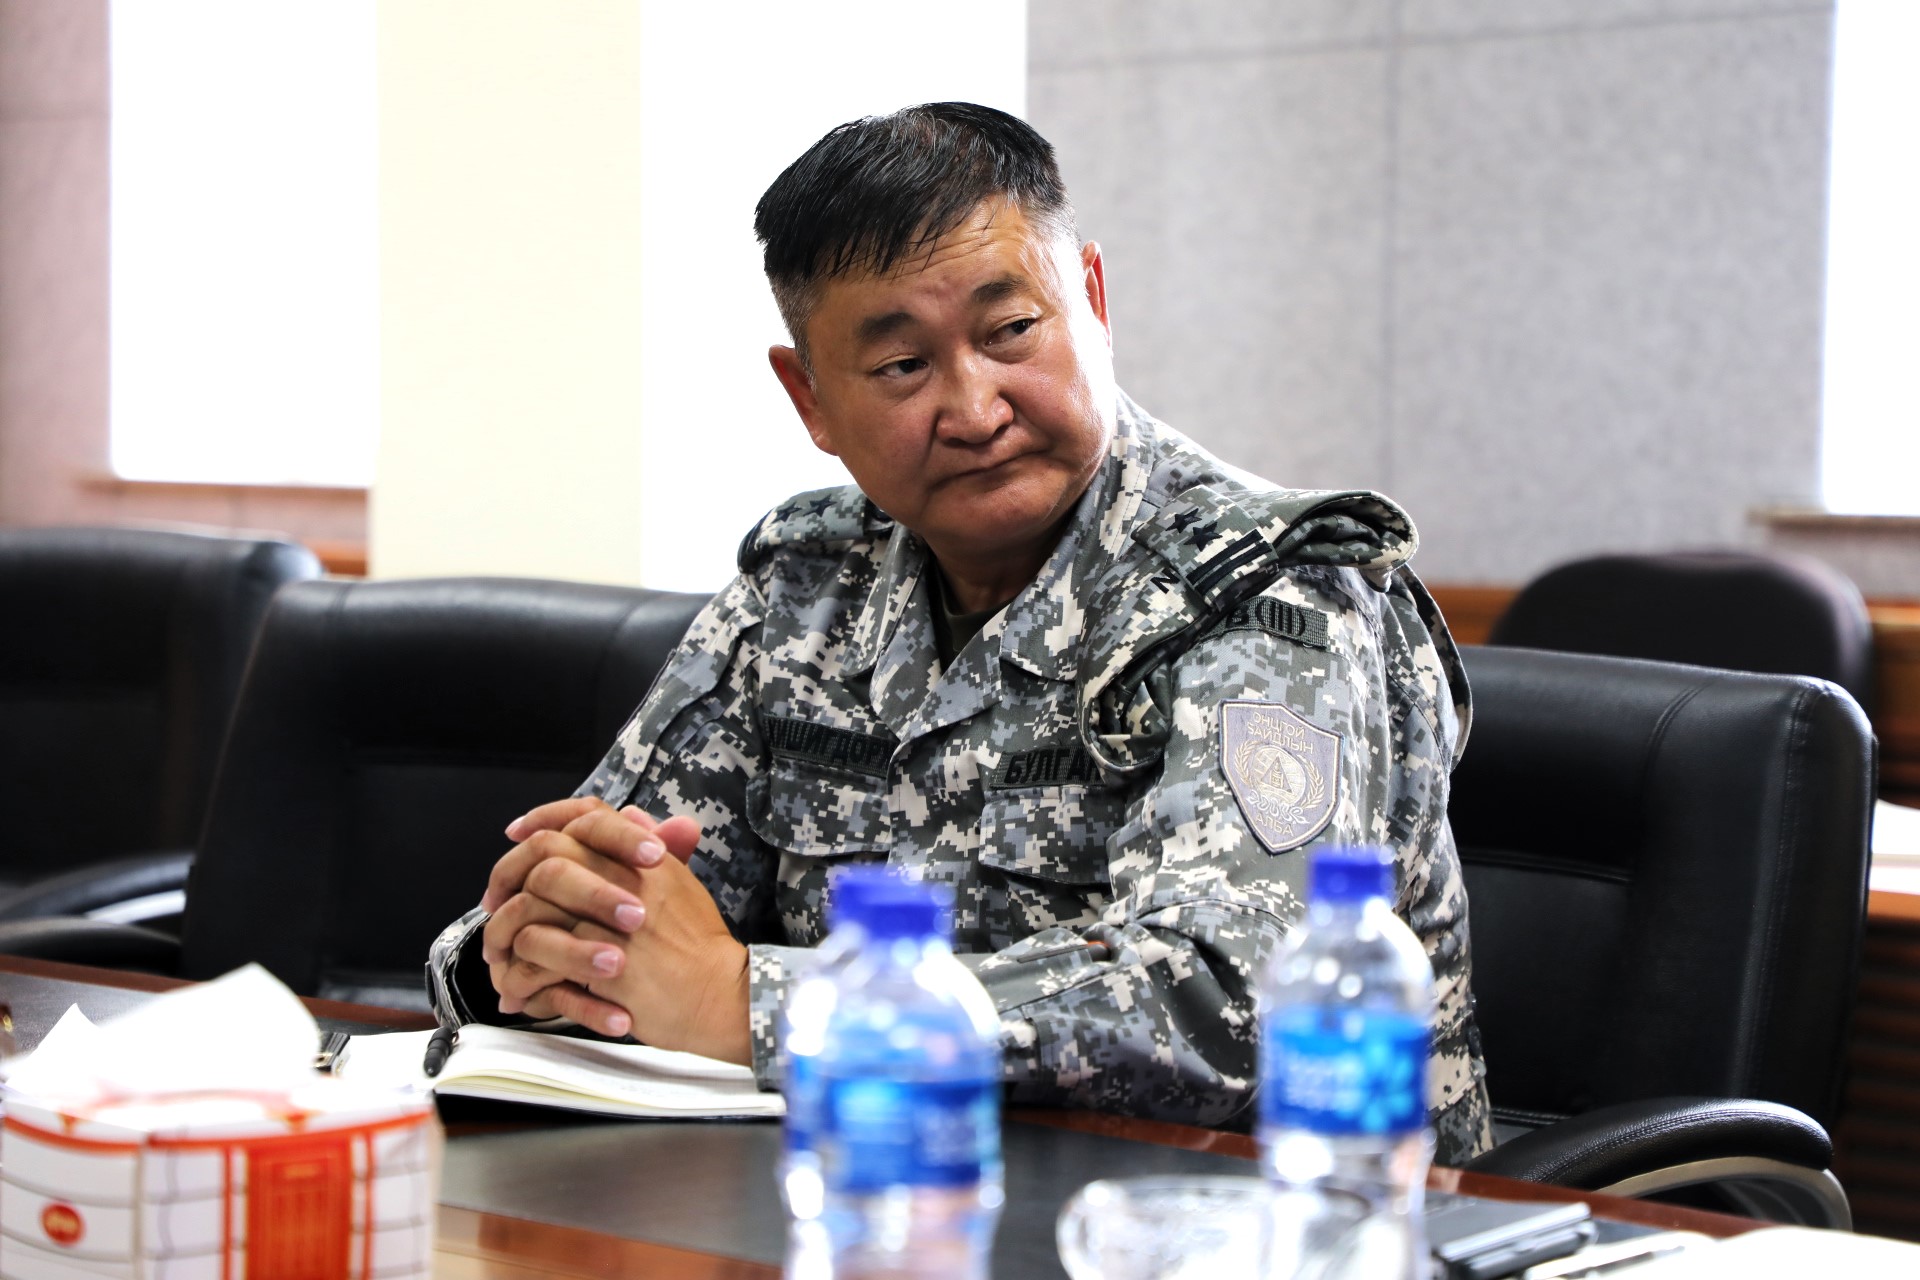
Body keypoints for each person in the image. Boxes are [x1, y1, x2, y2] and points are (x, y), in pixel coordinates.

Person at [427, 102, 1493, 1163]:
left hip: (1249, 1217)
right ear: (810, 399)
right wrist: (525, 953)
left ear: (1092, 302)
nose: (976, 410)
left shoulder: (1263, 586)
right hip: (864, 1192)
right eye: (902, 366)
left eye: (1011, 331)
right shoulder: (804, 586)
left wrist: (743, 1001)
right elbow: (621, 901)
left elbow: (1237, 997)